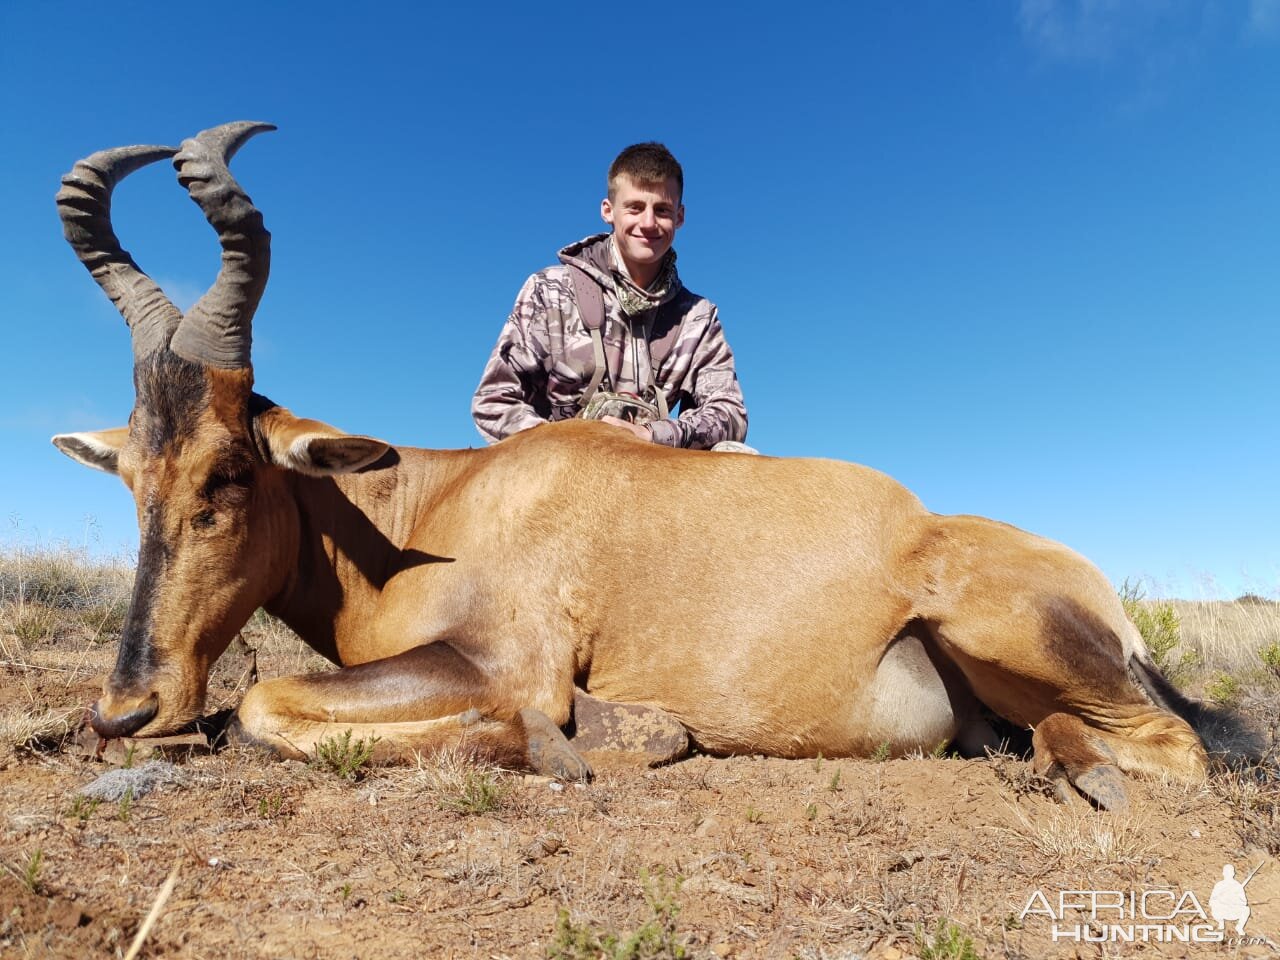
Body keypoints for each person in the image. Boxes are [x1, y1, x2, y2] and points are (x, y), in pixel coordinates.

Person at [472, 142, 750, 451]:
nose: (648, 223)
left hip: (647, 473)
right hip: (554, 473)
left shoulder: (698, 317)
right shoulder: (549, 290)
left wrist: (653, 435)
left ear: (680, 216)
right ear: (608, 211)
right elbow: (493, 401)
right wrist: (572, 447)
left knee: (734, 453)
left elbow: (730, 414)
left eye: (662, 210)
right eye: (634, 207)